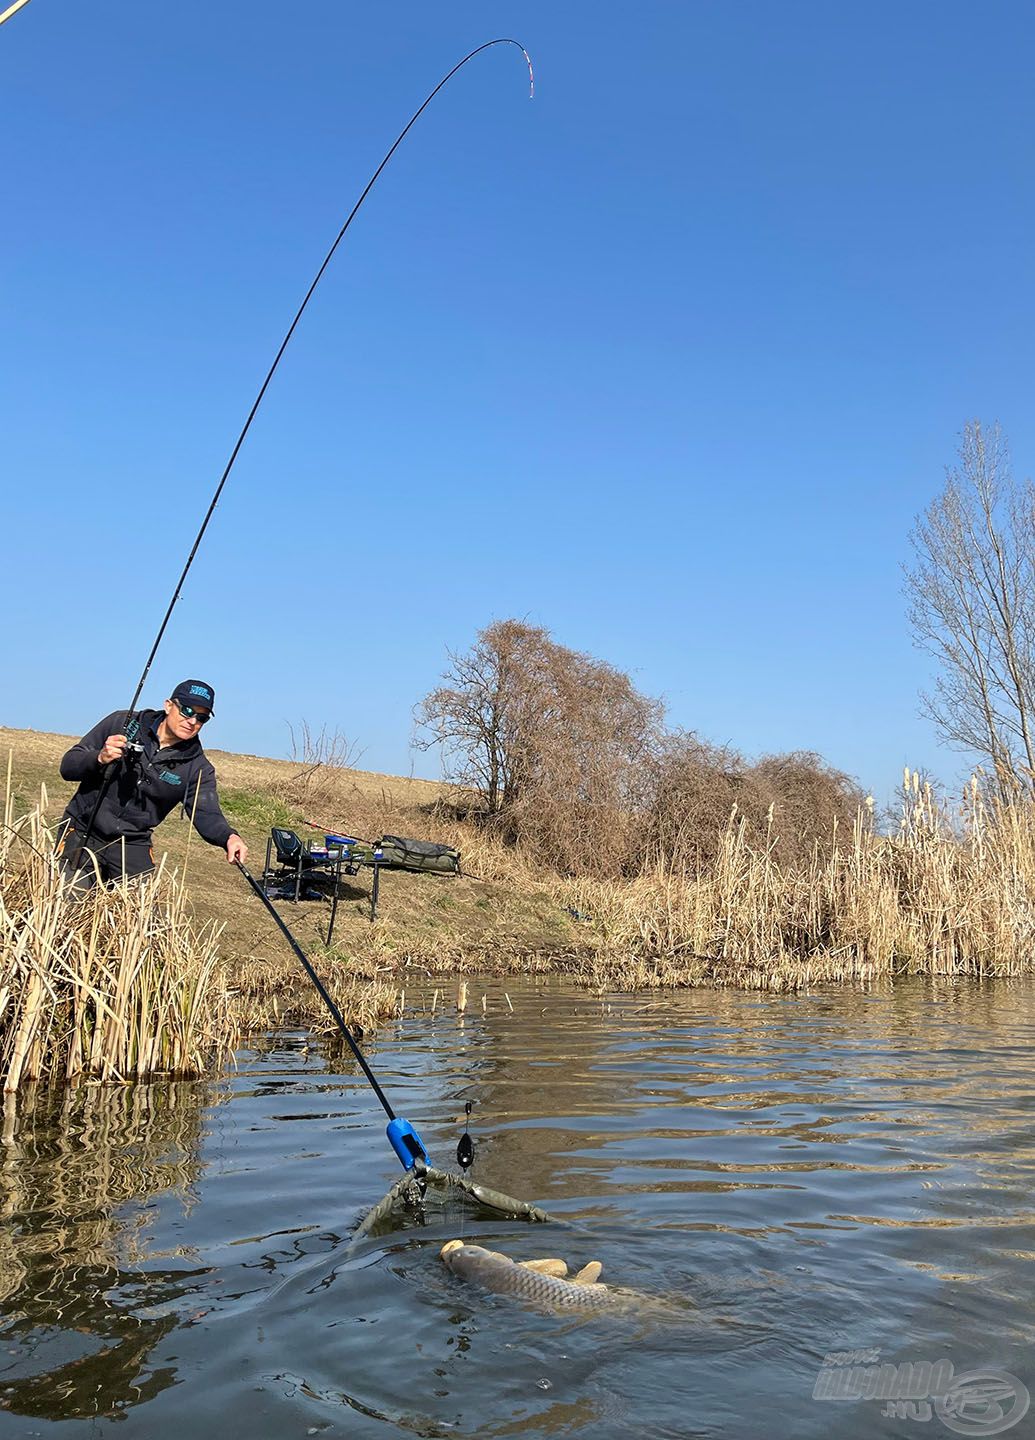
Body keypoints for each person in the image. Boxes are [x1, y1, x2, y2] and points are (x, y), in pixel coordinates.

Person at [56, 679, 248, 889]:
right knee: (67, 902)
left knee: (144, 918)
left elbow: (207, 813)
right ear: (168, 705)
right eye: (186, 710)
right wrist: (99, 758)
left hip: (132, 844)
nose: (192, 721)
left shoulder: (198, 768)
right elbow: (68, 766)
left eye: (201, 717)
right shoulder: (122, 722)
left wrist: (229, 837)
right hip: (82, 829)